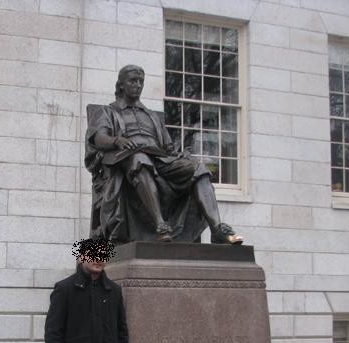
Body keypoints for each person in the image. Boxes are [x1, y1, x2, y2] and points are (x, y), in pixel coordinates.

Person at [85, 64, 243, 245]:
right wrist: (116, 141)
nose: (138, 85)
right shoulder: (108, 111)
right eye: (133, 81)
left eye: (141, 81)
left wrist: (182, 155)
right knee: (139, 159)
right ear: (121, 84)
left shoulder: (151, 116)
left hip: (159, 158)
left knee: (198, 169)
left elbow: (168, 148)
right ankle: (161, 225)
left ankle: (217, 230)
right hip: (127, 157)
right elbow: (98, 138)